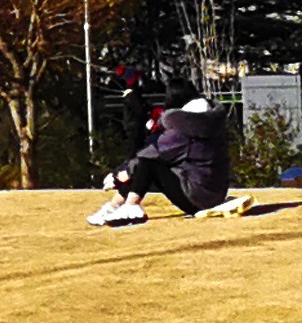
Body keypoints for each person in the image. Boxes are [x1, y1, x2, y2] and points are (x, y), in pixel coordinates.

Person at [86, 91, 232, 228]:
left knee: (147, 164)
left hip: (195, 198)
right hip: (213, 194)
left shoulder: (182, 136)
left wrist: (118, 175)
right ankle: (113, 207)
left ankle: (130, 206)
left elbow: (152, 153)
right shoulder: (215, 135)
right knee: (144, 171)